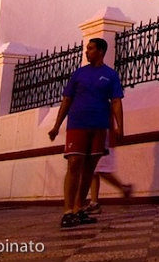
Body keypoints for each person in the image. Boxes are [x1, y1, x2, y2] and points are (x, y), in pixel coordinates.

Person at [48, 38, 124, 229]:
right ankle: (67, 211)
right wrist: (57, 125)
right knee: (74, 163)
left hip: (98, 126)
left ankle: (78, 208)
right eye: (86, 49)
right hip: (77, 124)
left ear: (100, 51)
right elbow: (66, 100)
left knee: (89, 170)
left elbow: (116, 101)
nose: (86, 52)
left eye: (90, 49)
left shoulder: (110, 75)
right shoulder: (79, 74)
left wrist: (119, 126)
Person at [84, 131, 132, 214]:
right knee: (93, 171)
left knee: (101, 170)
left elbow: (117, 117)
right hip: (95, 137)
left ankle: (123, 188)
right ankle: (94, 203)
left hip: (104, 138)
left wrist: (120, 128)